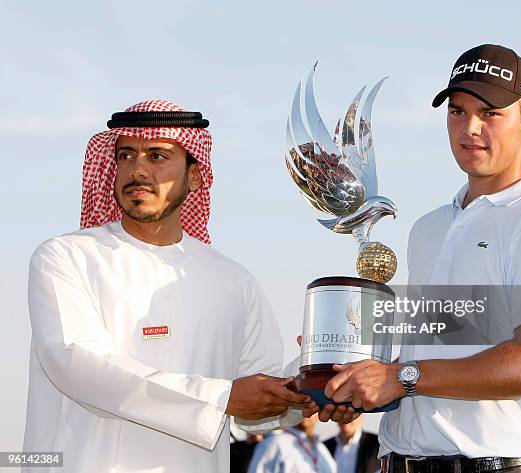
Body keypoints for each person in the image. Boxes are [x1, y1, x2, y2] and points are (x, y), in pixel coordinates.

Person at [316, 44, 521, 473]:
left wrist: (400, 378)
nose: (470, 128)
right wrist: (349, 371)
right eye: (457, 112)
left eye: (490, 113)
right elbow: (421, 353)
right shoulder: (428, 228)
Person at [23, 100, 312, 473]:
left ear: (194, 176)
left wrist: (310, 378)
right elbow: (79, 365)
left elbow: (257, 407)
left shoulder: (233, 282)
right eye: (126, 156)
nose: (137, 169)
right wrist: (222, 398)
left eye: (157, 156)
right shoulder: (66, 257)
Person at [247, 414, 336, 473]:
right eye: (300, 406)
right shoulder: (273, 444)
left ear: (319, 416)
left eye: (312, 407)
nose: (306, 412)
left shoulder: (322, 449)